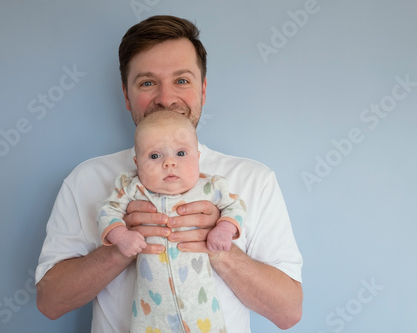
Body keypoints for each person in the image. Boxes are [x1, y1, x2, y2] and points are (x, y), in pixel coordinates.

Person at [36, 15, 303, 332]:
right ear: (126, 95)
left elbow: (288, 313)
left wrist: (220, 249)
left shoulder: (253, 179)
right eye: (147, 82)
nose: (165, 99)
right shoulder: (88, 178)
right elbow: (50, 303)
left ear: (203, 89)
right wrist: (118, 250)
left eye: (182, 80)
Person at [98, 110, 245, 332]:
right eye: (155, 156)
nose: (169, 163)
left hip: (203, 311)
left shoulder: (209, 187)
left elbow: (236, 207)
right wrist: (121, 236)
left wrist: (224, 229)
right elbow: (107, 211)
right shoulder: (133, 188)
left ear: (197, 156)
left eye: (180, 153)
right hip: (151, 314)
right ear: (137, 163)